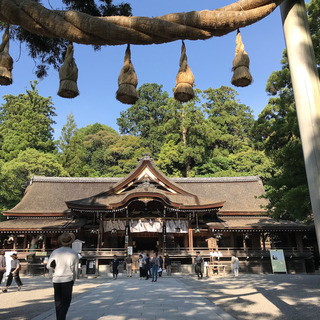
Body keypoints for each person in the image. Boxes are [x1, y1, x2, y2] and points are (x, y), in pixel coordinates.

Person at [47, 232, 79, 320]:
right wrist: (74, 279)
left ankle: (59, 318)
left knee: (58, 302)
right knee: (66, 302)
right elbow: (75, 269)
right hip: (68, 279)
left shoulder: (55, 252)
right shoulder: (74, 253)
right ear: (71, 242)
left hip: (56, 279)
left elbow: (48, 265)